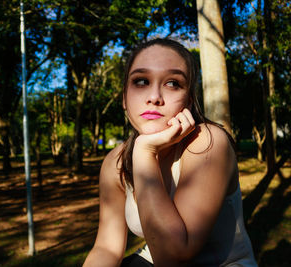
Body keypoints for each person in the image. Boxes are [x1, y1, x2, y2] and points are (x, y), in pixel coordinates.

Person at [83, 38, 257, 266]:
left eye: (173, 83)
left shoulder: (207, 141)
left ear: (189, 100)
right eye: (141, 81)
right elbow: (106, 246)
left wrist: (144, 152)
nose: (154, 97)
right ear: (124, 98)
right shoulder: (114, 162)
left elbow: (174, 255)